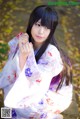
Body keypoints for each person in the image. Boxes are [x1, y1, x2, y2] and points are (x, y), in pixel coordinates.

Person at [0, 5, 73, 119]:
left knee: (25, 108)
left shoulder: (51, 52)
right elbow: (11, 70)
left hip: (50, 93)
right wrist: (20, 54)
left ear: (52, 30)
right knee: (8, 91)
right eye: (38, 25)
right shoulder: (24, 39)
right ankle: (6, 115)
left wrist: (24, 57)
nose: (41, 31)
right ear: (31, 23)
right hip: (28, 87)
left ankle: (52, 116)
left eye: (46, 27)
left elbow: (36, 83)